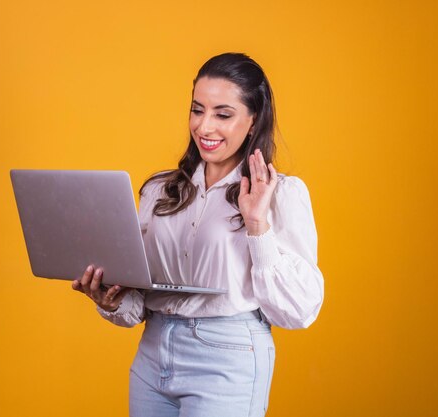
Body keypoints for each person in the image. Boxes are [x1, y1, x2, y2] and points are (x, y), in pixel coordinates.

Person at [72, 52, 324, 417]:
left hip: (228, 356)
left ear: (253, 122)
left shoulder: (281, 193)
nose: (204, 127)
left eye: (223, 114)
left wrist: (257, 225)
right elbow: (138, 304)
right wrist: (109, 299)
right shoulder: (159, 191)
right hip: (153, 353)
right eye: (197, 110)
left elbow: (299, 310)